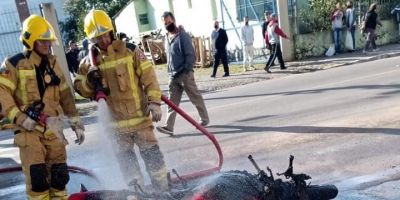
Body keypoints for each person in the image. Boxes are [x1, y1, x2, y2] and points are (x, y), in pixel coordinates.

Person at [74, 9, 168, 190]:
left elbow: (149, 78)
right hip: (116, 129)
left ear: (112, 30)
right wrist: (89, 81)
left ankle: (164, 190)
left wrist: (154, 102)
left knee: (156, 165)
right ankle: (138, 194)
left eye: (105, 35)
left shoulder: (130, 51)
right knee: (130, 172)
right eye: (97, 37)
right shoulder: (87, 63)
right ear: (91, 39)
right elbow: (80, 90)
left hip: (141, 121)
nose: (103, 40)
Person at [0, 15, 85, 200]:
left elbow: (66, 96)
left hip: (53, 129)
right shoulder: (14, 64)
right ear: (31, 41)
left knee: (59, 178)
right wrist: (20, 118)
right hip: (29, 131)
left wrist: (76, 123)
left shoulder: (53, 64)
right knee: (38, 182)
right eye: (43, 41)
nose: (47, 45)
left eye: (49, 41)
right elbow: (2, 92)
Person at [156, 11, 210, 136]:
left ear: (174, 20)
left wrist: (186, 71)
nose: (168, 25)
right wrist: (170, 72)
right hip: (173, 76)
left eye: (169, 22)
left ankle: (205, 119)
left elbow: (191, 55)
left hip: (184, 74)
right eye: (165, 23)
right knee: (172, 103)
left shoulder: (182, 36)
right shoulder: (167, 38)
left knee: (195, 97)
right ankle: (169, 127)